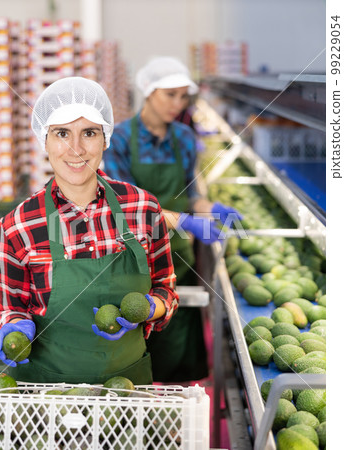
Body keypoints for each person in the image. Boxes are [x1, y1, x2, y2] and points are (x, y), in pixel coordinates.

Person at [0, 77, 179, 385]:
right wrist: (12, 326)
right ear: (45, 141)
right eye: (62, 133)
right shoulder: (17, 226)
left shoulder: (143, 208)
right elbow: (11, 308)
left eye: (89, 133)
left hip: (127, 390)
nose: (75, 149)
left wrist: (149, 308)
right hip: (46, 397)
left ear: (105, 139)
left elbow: (166, 289)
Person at [103, 56, 242, 382]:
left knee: (179, 342)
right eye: (170, 95)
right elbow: (127, 206)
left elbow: (191, 193)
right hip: (132, 254)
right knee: (138, 345)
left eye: (183, 97)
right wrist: (186, 222)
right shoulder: (119, 141)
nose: (177, 104)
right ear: (149, 92)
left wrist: (210, 209)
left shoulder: (183, 138)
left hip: (177, 256)